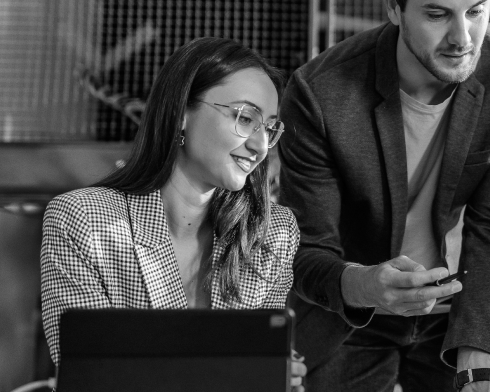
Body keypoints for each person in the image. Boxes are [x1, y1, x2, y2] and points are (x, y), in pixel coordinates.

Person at [279, 0, 490, 392]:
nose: (462, 38)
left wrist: (476, 364)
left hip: (458, 312)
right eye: (436, 14)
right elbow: (307, 249)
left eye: (477, 10)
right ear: (392, 5)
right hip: (353, 310)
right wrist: (367, 285)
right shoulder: (320, 93)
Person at [40, 37, 306, 389]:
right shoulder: (84, 220)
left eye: (270, 128)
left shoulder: (272, 233)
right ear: (182, 112)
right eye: (245, 118)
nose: (260, 146)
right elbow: (89, 377)